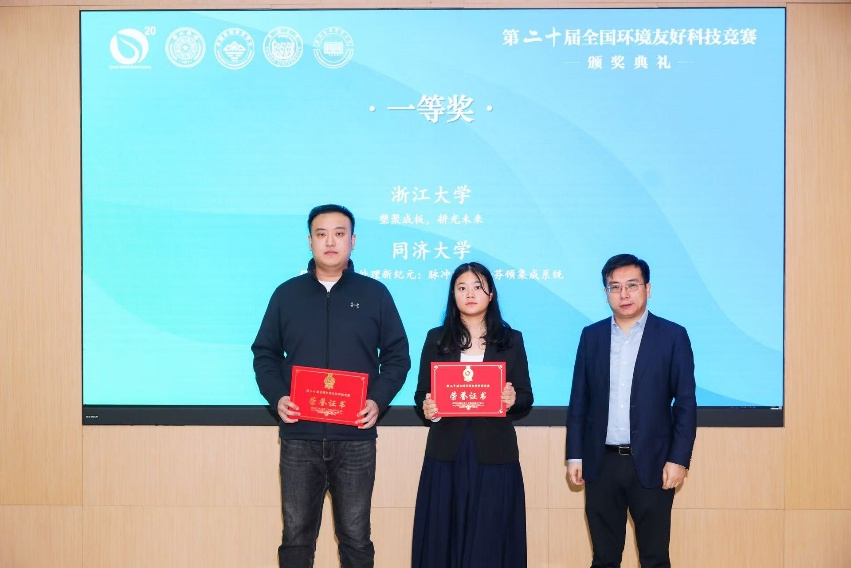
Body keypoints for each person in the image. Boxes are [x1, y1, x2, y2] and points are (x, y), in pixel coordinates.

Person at [252, 204, 411, 568]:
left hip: (354, 437)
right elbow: (265, 354)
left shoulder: (375, 294)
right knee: (296, 535)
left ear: (353, 241)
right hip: (300, 436)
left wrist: (378, 400)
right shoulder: (286, 294)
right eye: (321, 234)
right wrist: (277, 397)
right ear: (309, 241)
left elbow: (397, 357)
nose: (330, 242)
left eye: (339, 234)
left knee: (355, 536)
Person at [566, 254, 697, 568]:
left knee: (654, 558)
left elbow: (685, 403)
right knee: (604, 558)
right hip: (601, 463)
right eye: (615, 287)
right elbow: (579, 400)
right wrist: (575, 455)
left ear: (647, 289)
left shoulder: (672, 336)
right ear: (606, 293)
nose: (623, 294)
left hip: (653, 464)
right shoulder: (592, 336)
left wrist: (679, 459)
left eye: (632, 285)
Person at [412, 261, 533, 568]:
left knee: (491, 537)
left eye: (478, 287)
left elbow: (526, 396)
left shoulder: (511, 340)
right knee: (445, 536)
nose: (469, 294)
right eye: (461, 287)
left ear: (491, 294)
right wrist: (429, 408)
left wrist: (512, 398)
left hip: (494, 452)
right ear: (453, 295)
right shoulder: (437, 338)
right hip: (447, 452)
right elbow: (422, 393)